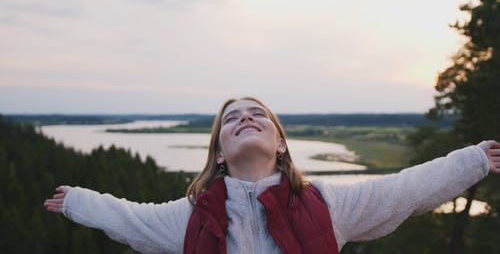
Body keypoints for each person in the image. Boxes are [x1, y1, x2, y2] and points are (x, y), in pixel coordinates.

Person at [44, 96, 500, 254]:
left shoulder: (326, 203)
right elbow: (131, 219)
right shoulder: (191, 217)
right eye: (232, 118)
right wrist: (79, 201)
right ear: (219, 153)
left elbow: (404, 189)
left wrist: (473, 160)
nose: (245, 118)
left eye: (258, 114)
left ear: (280, 143)